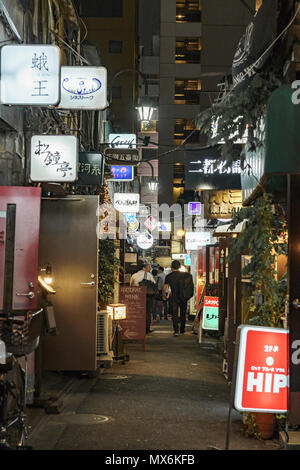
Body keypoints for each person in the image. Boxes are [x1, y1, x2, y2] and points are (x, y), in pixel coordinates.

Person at [163, 260, 194, 336]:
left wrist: (164, 295)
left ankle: (176, 330)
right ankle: (182, 329)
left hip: (174, 298)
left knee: (174, 314)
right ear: (180, 267)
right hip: (184, 297)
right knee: (183, 313)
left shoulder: (169, 276)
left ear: (171, 267)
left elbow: (165, 288)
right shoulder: (186, 275)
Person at [130, 263, 156, 334]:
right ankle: (147, 328)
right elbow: (154, 284)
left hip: (137, 297)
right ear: (144, 268)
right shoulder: (149, 275)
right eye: (149, 268)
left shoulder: (134, 276)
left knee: (137, 312)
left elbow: (131, 286)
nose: (150, 269)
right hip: (148, 296)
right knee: (148, 312)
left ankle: (137, 327)